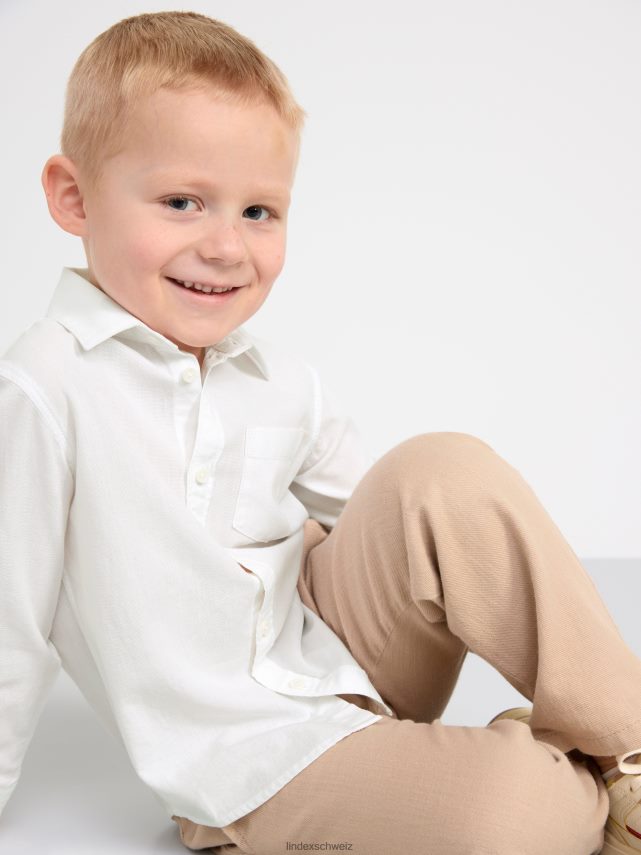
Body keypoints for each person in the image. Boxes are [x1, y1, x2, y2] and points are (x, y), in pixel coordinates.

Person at [1, 10, 639, 855]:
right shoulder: (47, 386)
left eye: (259, 211)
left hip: (339, 666)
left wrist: (299, 552)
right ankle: (555, 774)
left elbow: (407, 532)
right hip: (244, 766)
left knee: (442, 468)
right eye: (182, 202)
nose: (226, 245)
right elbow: (9, 617)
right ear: (73, 197)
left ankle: (626, 745)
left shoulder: (276, 377)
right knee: (515, 814)